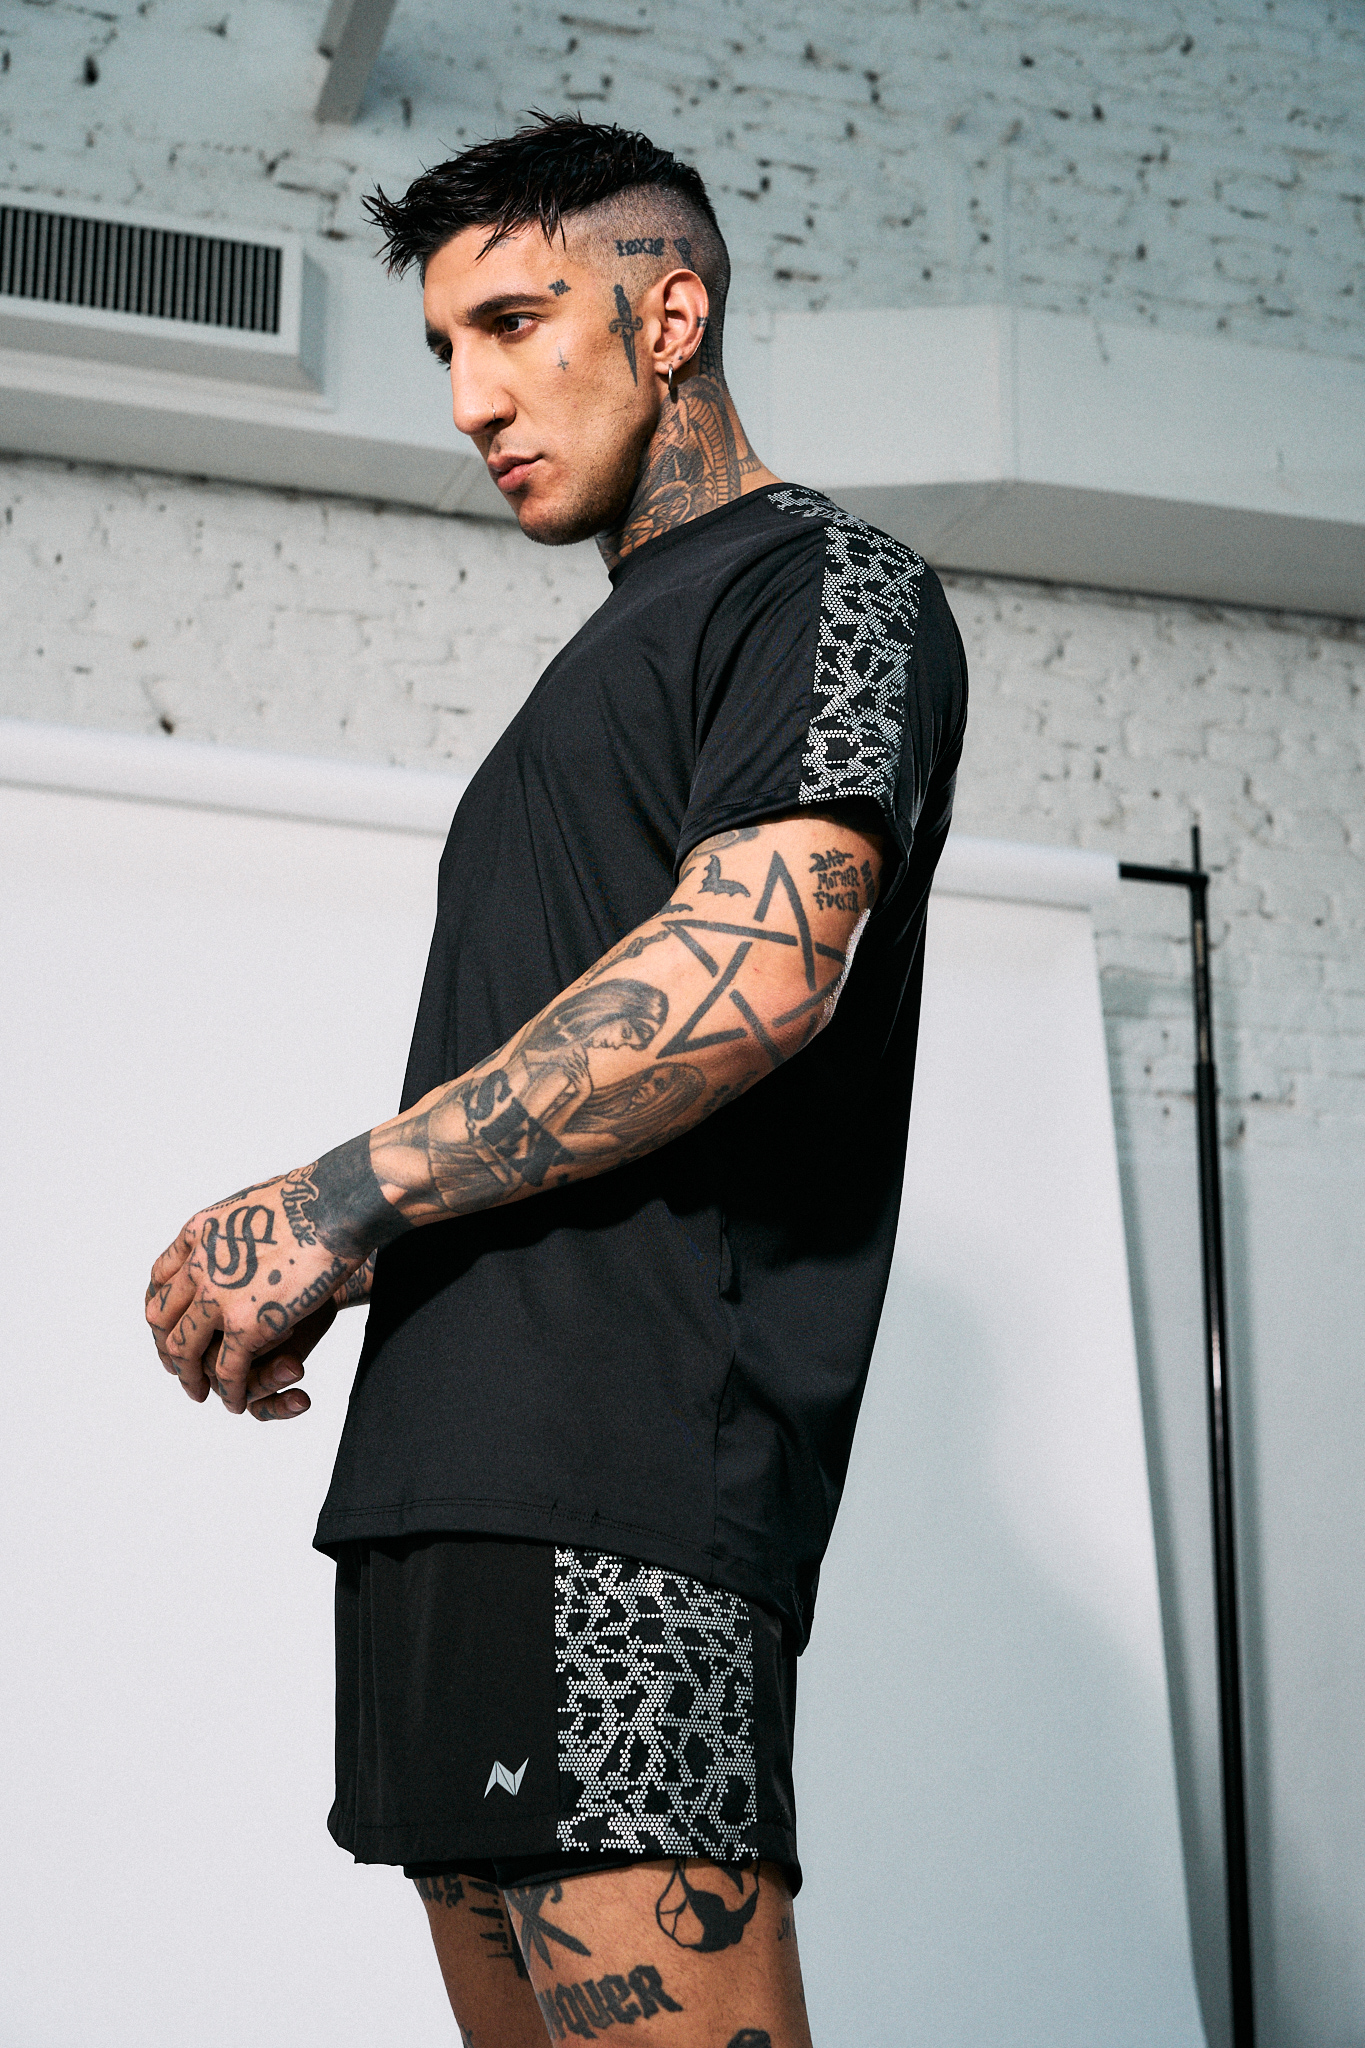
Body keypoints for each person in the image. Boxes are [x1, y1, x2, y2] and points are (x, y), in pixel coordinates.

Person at [144, 114, 968, 2048]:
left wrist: (334, 1202)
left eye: (514, 323)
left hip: (626, 1482)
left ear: (667, 315)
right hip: (448, 1489)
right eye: (446, 348)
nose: (471, 399)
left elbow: (752, 974)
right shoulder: (599, 668)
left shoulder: (822, 584)